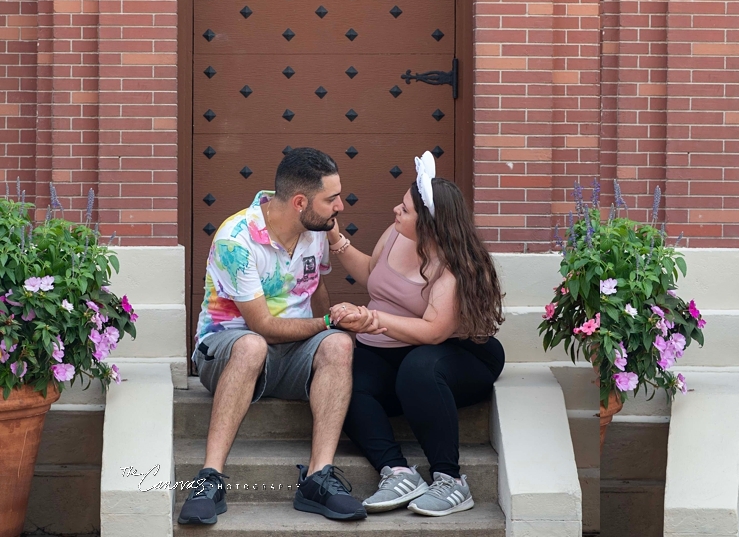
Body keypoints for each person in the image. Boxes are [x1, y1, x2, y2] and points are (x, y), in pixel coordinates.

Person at [178, 147, 368, 526]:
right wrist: (330, 321)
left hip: (290, 354)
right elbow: (262, 326)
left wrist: (331, 326)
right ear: (300, 202)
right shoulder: (236, 239)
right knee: (252, 345)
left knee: (339, 345)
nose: (340, 207)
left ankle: (318, 478)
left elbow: (313, 288)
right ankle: (209, 480)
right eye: (331, 198)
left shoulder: (316, 230)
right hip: (229, 348)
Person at [330, 151, 506, 518]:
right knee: (338, 376)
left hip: (458, 356)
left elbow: (433, 331)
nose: (396, 210)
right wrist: (335, 237)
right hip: (392, 354)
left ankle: (450, 481)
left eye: (406, 209)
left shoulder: (457, 265)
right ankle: (397, 473)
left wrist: (370, 319)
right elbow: (371, 275)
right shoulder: (396, 235)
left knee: (419, 368)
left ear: (429, 223)